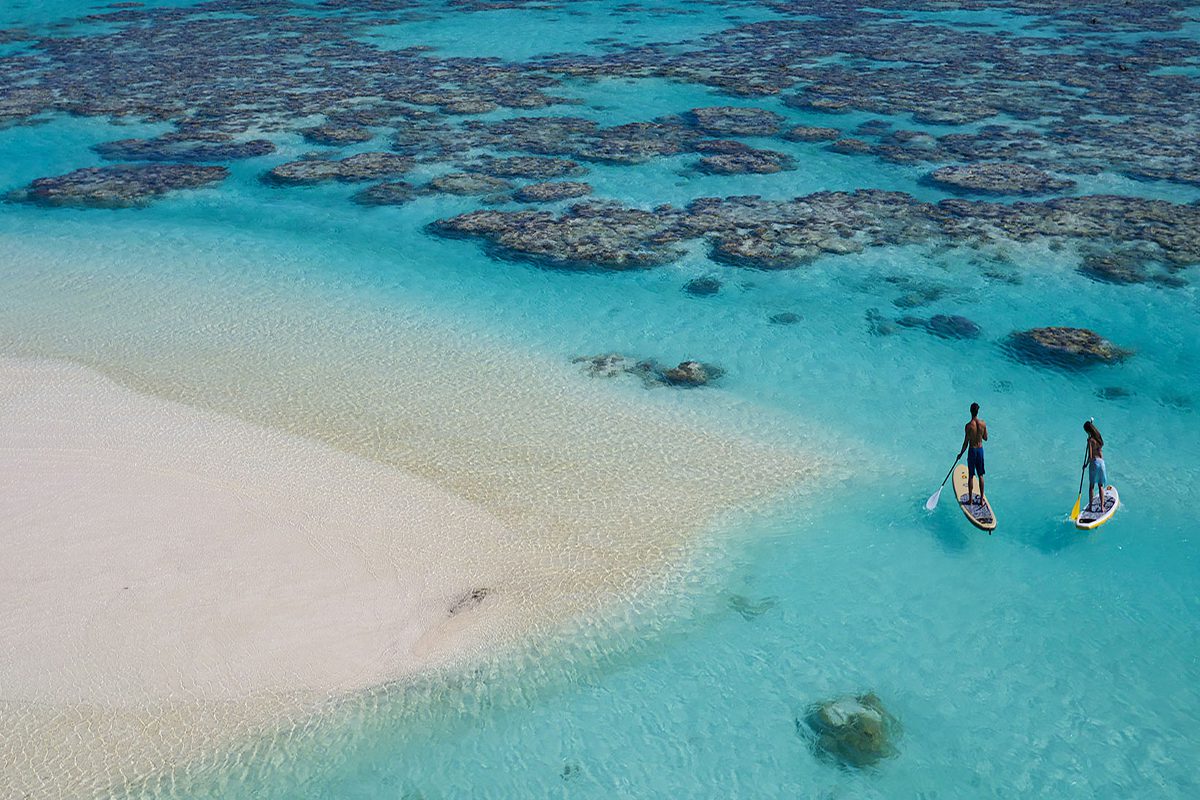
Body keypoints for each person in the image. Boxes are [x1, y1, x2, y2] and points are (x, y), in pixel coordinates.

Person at [957, 402, 988, 507]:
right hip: (980, 450)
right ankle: (981, 500)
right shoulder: (983, 424)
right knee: (981, 475)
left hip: (972, 450)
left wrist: (960, 453)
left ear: (970, 411)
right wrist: (980, 435)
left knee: (971, 476)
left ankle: (970, 500)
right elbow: (986, 438)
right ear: (978, 411)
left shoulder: (968, 426)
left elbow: (966, 442)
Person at [1083, 419, 1107, 512]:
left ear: (1088, 431)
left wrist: (1085, 465)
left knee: (1091, 486)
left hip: (1095, 463)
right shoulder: (1099, 438)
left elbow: (1091, 456)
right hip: (1102, 463)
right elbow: (1100, 453)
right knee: (1100, 485)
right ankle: (1102, 507)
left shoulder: (1090, 441)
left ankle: (1091, 507)